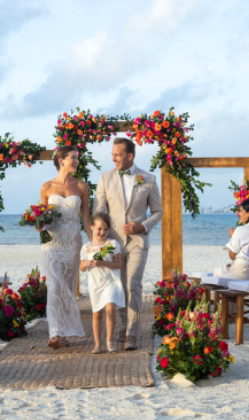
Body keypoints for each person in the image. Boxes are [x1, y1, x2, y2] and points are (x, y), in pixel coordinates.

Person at [93, 137, 163, 351]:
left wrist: (142, 226)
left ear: (129, 156)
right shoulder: (104, 178)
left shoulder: (148, 179)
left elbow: (158, 212)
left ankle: (131, 333)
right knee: (118, 286)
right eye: (112, 154)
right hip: (112, 243)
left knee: (133, 284)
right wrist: (98, 240)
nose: (113, 157)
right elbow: (98, 212)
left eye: (117, 154)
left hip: (137, 242)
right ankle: (123, 328)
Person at [39, 146, 91, 349]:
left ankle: (63, 332)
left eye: (77, 158)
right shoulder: (46, 187)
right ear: (61, 160)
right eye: (73, 158)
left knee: (67, 289)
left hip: (73, 244)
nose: (77, 161)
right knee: (54, 287)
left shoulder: (81, 186)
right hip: (51, 243)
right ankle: (54, 334)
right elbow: (42, 219)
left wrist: (94, 243)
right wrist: (38, 224)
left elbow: (86, 218)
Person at [79, 213, 125, 354]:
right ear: (92, 227)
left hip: (110, 282)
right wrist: (86, 264)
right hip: (95, 285)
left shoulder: (112, 244)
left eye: (105, 229)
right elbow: (81, 268)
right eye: (99, 228)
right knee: (97, 313)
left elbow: (119, 264)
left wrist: (103, 263)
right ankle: (97, 344)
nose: (102, 232)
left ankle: (110, 341)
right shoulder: (86, 247)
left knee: (110, 308)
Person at [214, 198, 249, 280]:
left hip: (241, 272)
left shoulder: (242, 230)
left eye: (241, 211)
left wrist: (232, 238)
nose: (239, 214)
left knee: (217, 271)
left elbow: (232, 256)